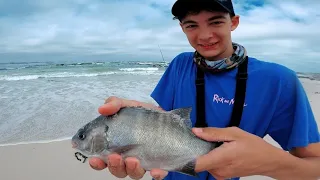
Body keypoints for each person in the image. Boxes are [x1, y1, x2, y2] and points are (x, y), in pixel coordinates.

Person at [88, 0, 320, 179]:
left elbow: (314, 167)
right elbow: (167, 119)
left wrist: (270, 162)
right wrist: (133, 116)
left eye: (216, 21)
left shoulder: (278, 80)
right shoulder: (180, 64)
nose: (205, 35)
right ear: (182, 28)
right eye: (192, 25)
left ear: (234, 22)